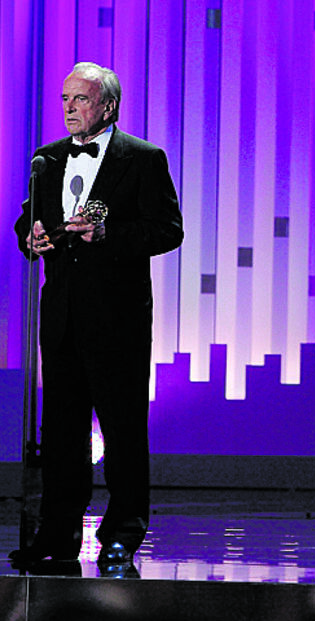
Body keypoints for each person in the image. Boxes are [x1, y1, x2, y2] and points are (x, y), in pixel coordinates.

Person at [9, 62, 183, 566]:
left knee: (124, 428)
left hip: (119, 318)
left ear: (107, 106)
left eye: (80, 100)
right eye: (64, 99)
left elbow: (167, 230)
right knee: (61, 432)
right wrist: (31, 237)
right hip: (62, 315)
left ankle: (124, 531)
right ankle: (57, 535)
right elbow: (30, 218)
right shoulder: (47, 158)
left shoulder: (143, 159)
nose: (68, 108)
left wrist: (108, 235)